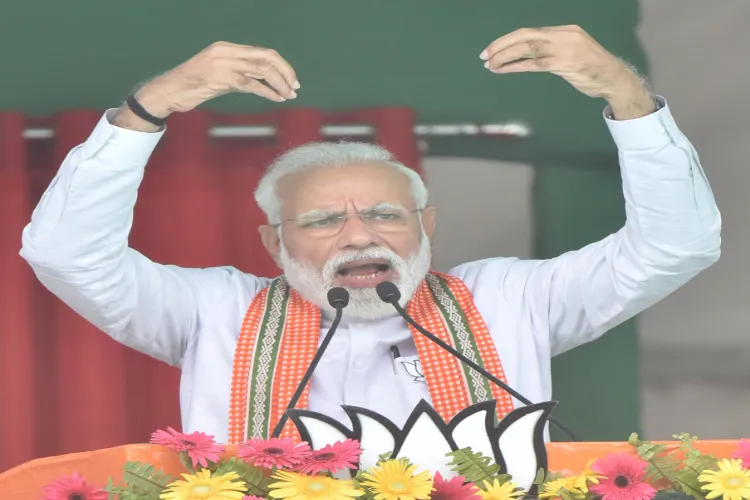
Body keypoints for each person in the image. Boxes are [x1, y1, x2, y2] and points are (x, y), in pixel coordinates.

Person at [20, 26, 721, 444]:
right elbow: (65, 254)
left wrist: (626, 99)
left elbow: (675, 245)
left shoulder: (514, 299)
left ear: (427, 226)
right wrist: (151, 107)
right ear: (274, 244)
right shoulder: (215, 313)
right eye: (324, 220)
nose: (360, 236)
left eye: (385, 215)